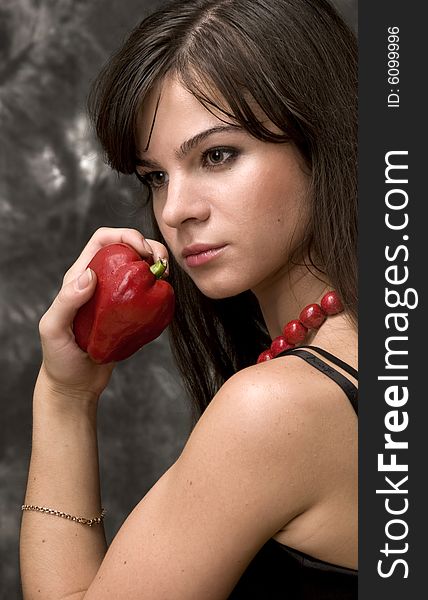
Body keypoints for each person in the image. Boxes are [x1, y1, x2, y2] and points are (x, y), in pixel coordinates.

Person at [19, 0, 358, 597]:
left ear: (320, 140)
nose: (175, 211)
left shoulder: (278, 409)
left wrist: (64, 397)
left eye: (217, 155)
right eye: (156, 177)